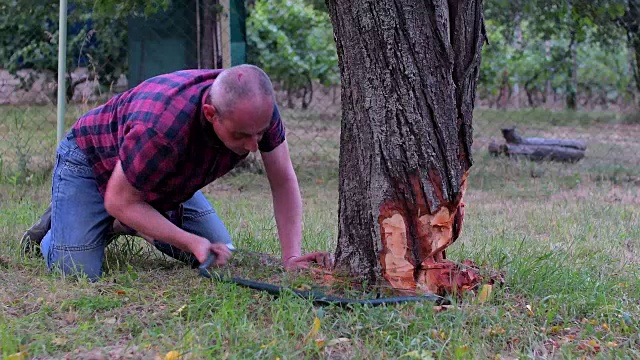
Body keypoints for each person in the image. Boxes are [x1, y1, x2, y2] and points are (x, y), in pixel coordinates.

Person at [20, 64, 332, 280]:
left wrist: (291, 256)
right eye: (241, 136)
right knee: (76, 271)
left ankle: (120, 223)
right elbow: (119, 200)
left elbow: (283, 181)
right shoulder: (161, 128)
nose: (253, 145)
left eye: (259, 134)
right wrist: (189, 241)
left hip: (157, 181)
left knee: (222, 254)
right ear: (211, 114)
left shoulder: (255, 114)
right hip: (91, 160)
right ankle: (57, 229)